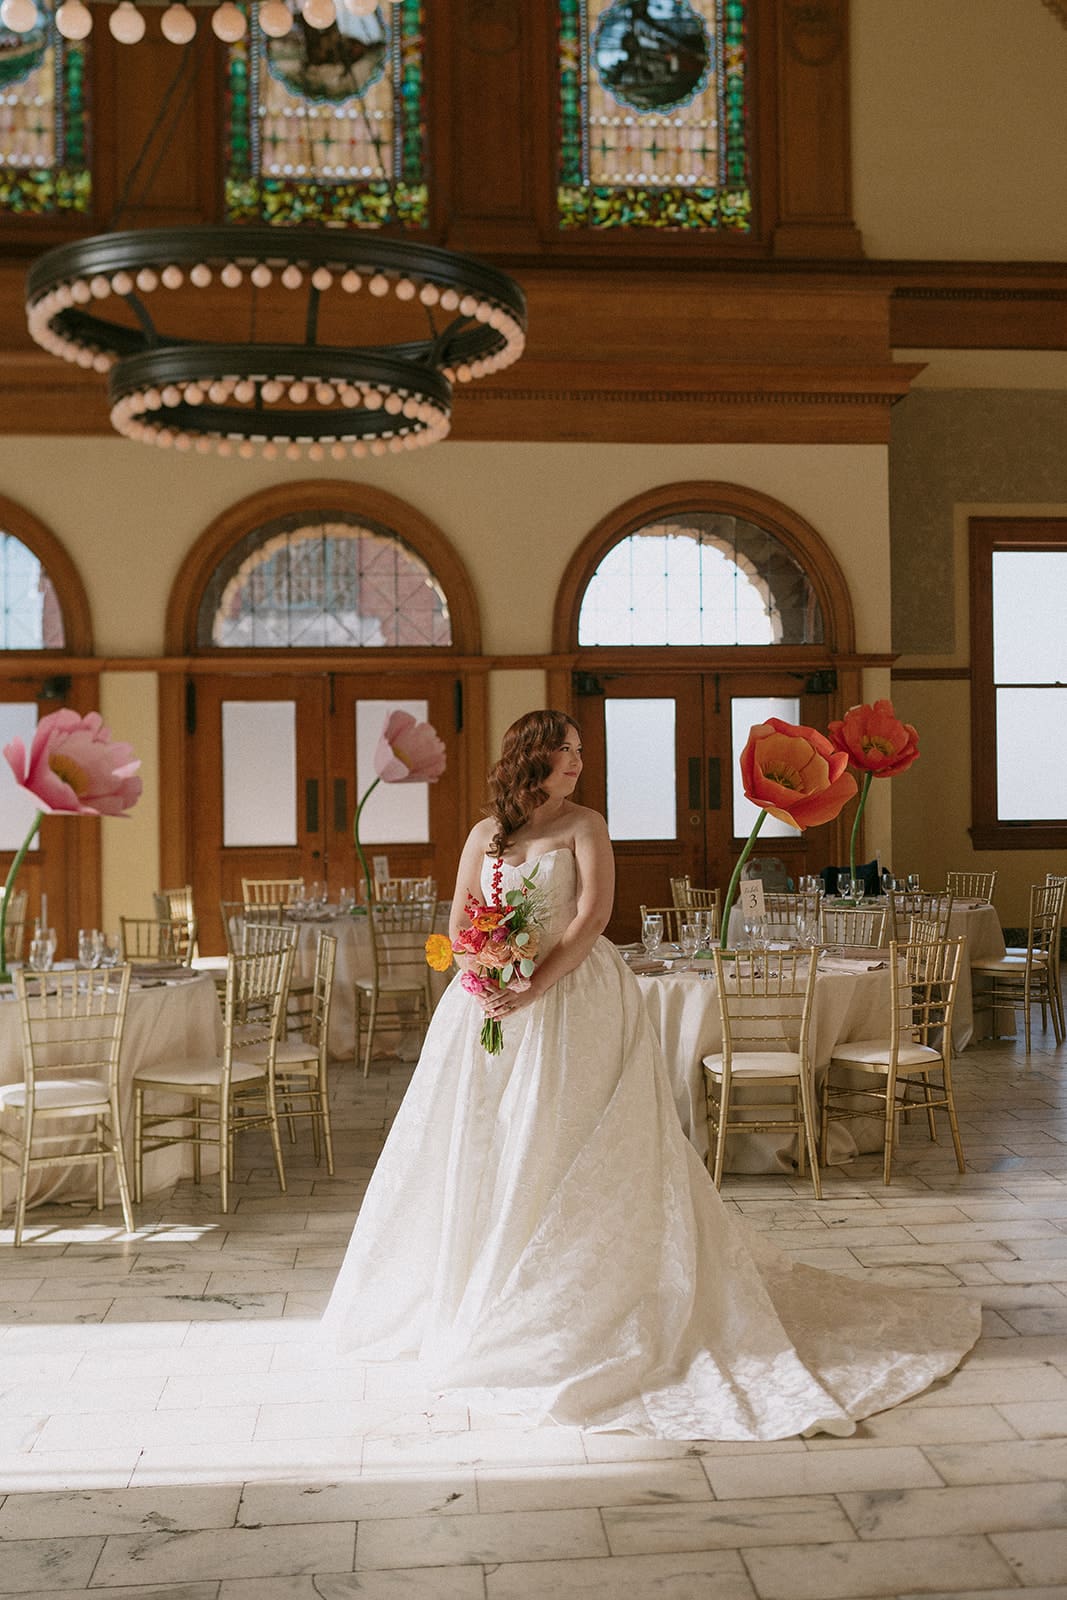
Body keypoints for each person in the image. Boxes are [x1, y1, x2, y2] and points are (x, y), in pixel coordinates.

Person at [321, 709, 980, 1439]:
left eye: (579, 751)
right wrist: (480, 966)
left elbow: (592, 916)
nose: (577, 762)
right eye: (566, 751)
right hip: (488, 1002)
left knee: (565, 1137)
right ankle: (477, 1289)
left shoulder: (584, 825)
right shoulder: (485, 836)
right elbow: (459, 919)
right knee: (483, 1140)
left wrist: (533, 982)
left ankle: (577, 1295)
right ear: (531, 756)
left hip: (572, 998)